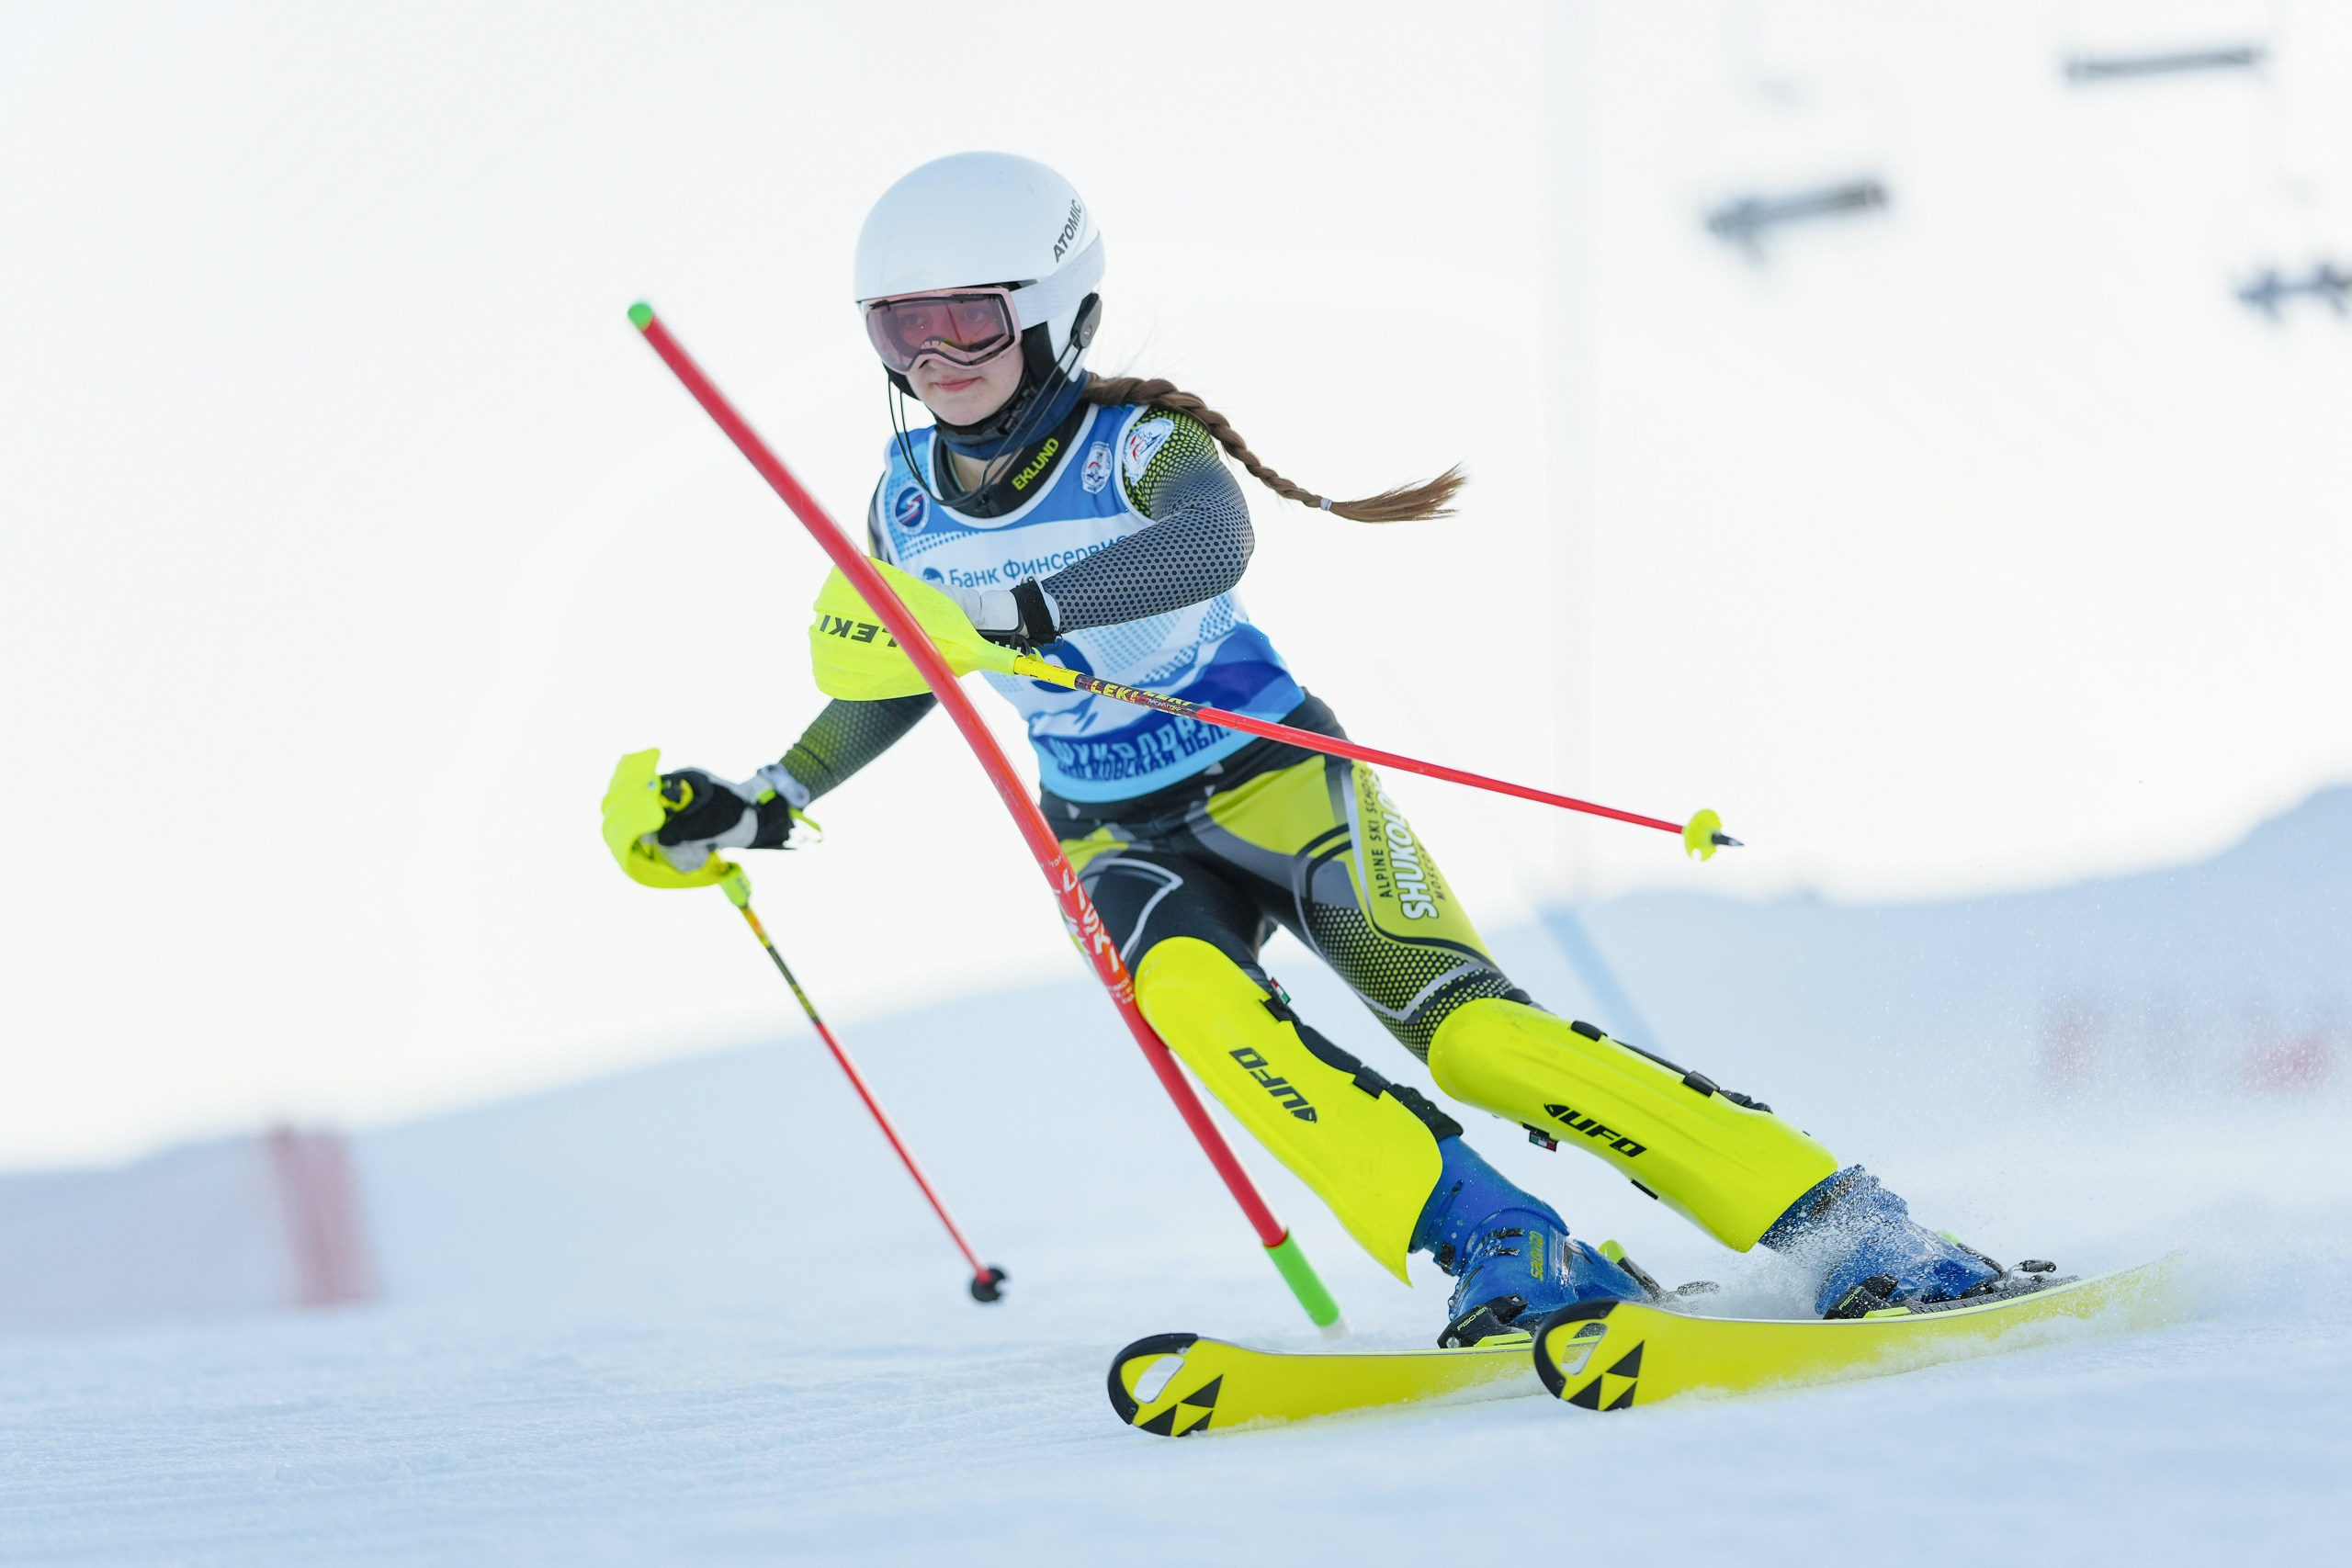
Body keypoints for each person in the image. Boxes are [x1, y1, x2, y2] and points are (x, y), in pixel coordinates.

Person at [634, 152, 2037, 1341]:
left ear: (1059, 314)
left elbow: (1210, 543)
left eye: (971, 324)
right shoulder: (902, 503)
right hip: (1111, 835)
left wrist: (1030, 608)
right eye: (899, 334)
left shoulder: (1136, 444)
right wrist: (770, 797)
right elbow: (900, 674)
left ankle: (1851, 1228)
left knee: (1475, 1039)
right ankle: (1508, 1251)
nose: (936, 363)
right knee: (1213, 1024)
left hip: (1274, 780)